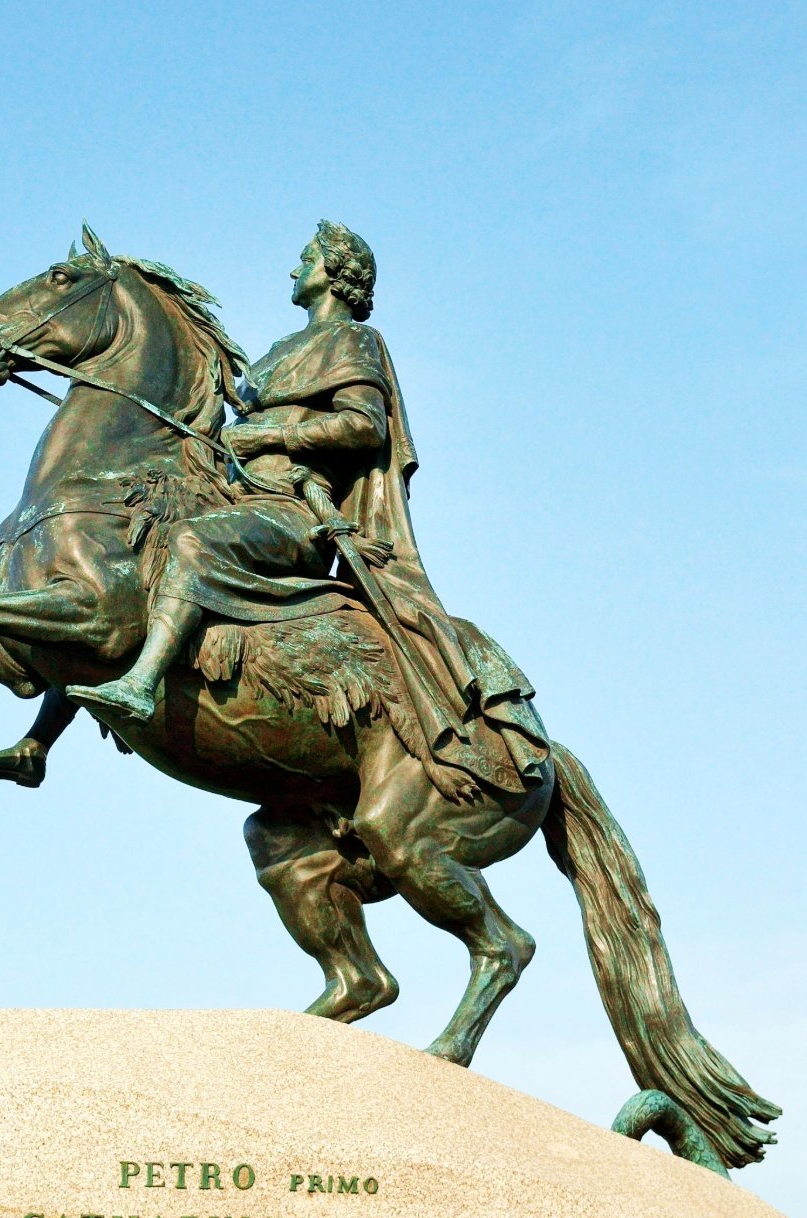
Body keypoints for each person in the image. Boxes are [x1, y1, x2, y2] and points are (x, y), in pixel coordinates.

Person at [69, 222, 504, 799]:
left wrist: (271, 435)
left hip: (295, 510)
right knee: (118, 564)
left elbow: (363, 425)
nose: (294, 269)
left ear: (336, 273)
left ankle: (142, 683)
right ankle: (39, 741)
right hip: (240, 495)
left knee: (192, 542)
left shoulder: (354, 341)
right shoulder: (279, 352)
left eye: (306, 258)